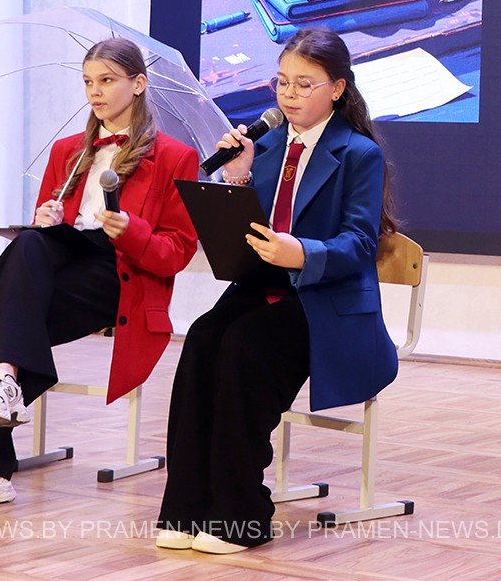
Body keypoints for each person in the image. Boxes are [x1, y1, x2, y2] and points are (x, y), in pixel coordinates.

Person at [0, 38, 200, 511]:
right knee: (30, 242)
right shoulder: (68, 150)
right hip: (66, 264)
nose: (95, 91)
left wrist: (132, 231)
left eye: (107, 80)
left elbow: (177, 252)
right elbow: (45, 237)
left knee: (9, 319)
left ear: (138, 83)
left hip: (121, 276)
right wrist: (47, 219)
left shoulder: (175, 156)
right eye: (88, 82)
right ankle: (0, 403)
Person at [156, 27, 398, 554]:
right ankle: (186, 508)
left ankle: (239, 516)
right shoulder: (264, 146)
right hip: (264, 286)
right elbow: (248, 228)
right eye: (282, 82)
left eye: (304, 84)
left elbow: (360, 244)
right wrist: (238, 180)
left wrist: (303, 253)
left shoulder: (359, 153)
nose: (289, 95)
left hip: (324, 301)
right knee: (203, 339)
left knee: (245, 347)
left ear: (337, 89)